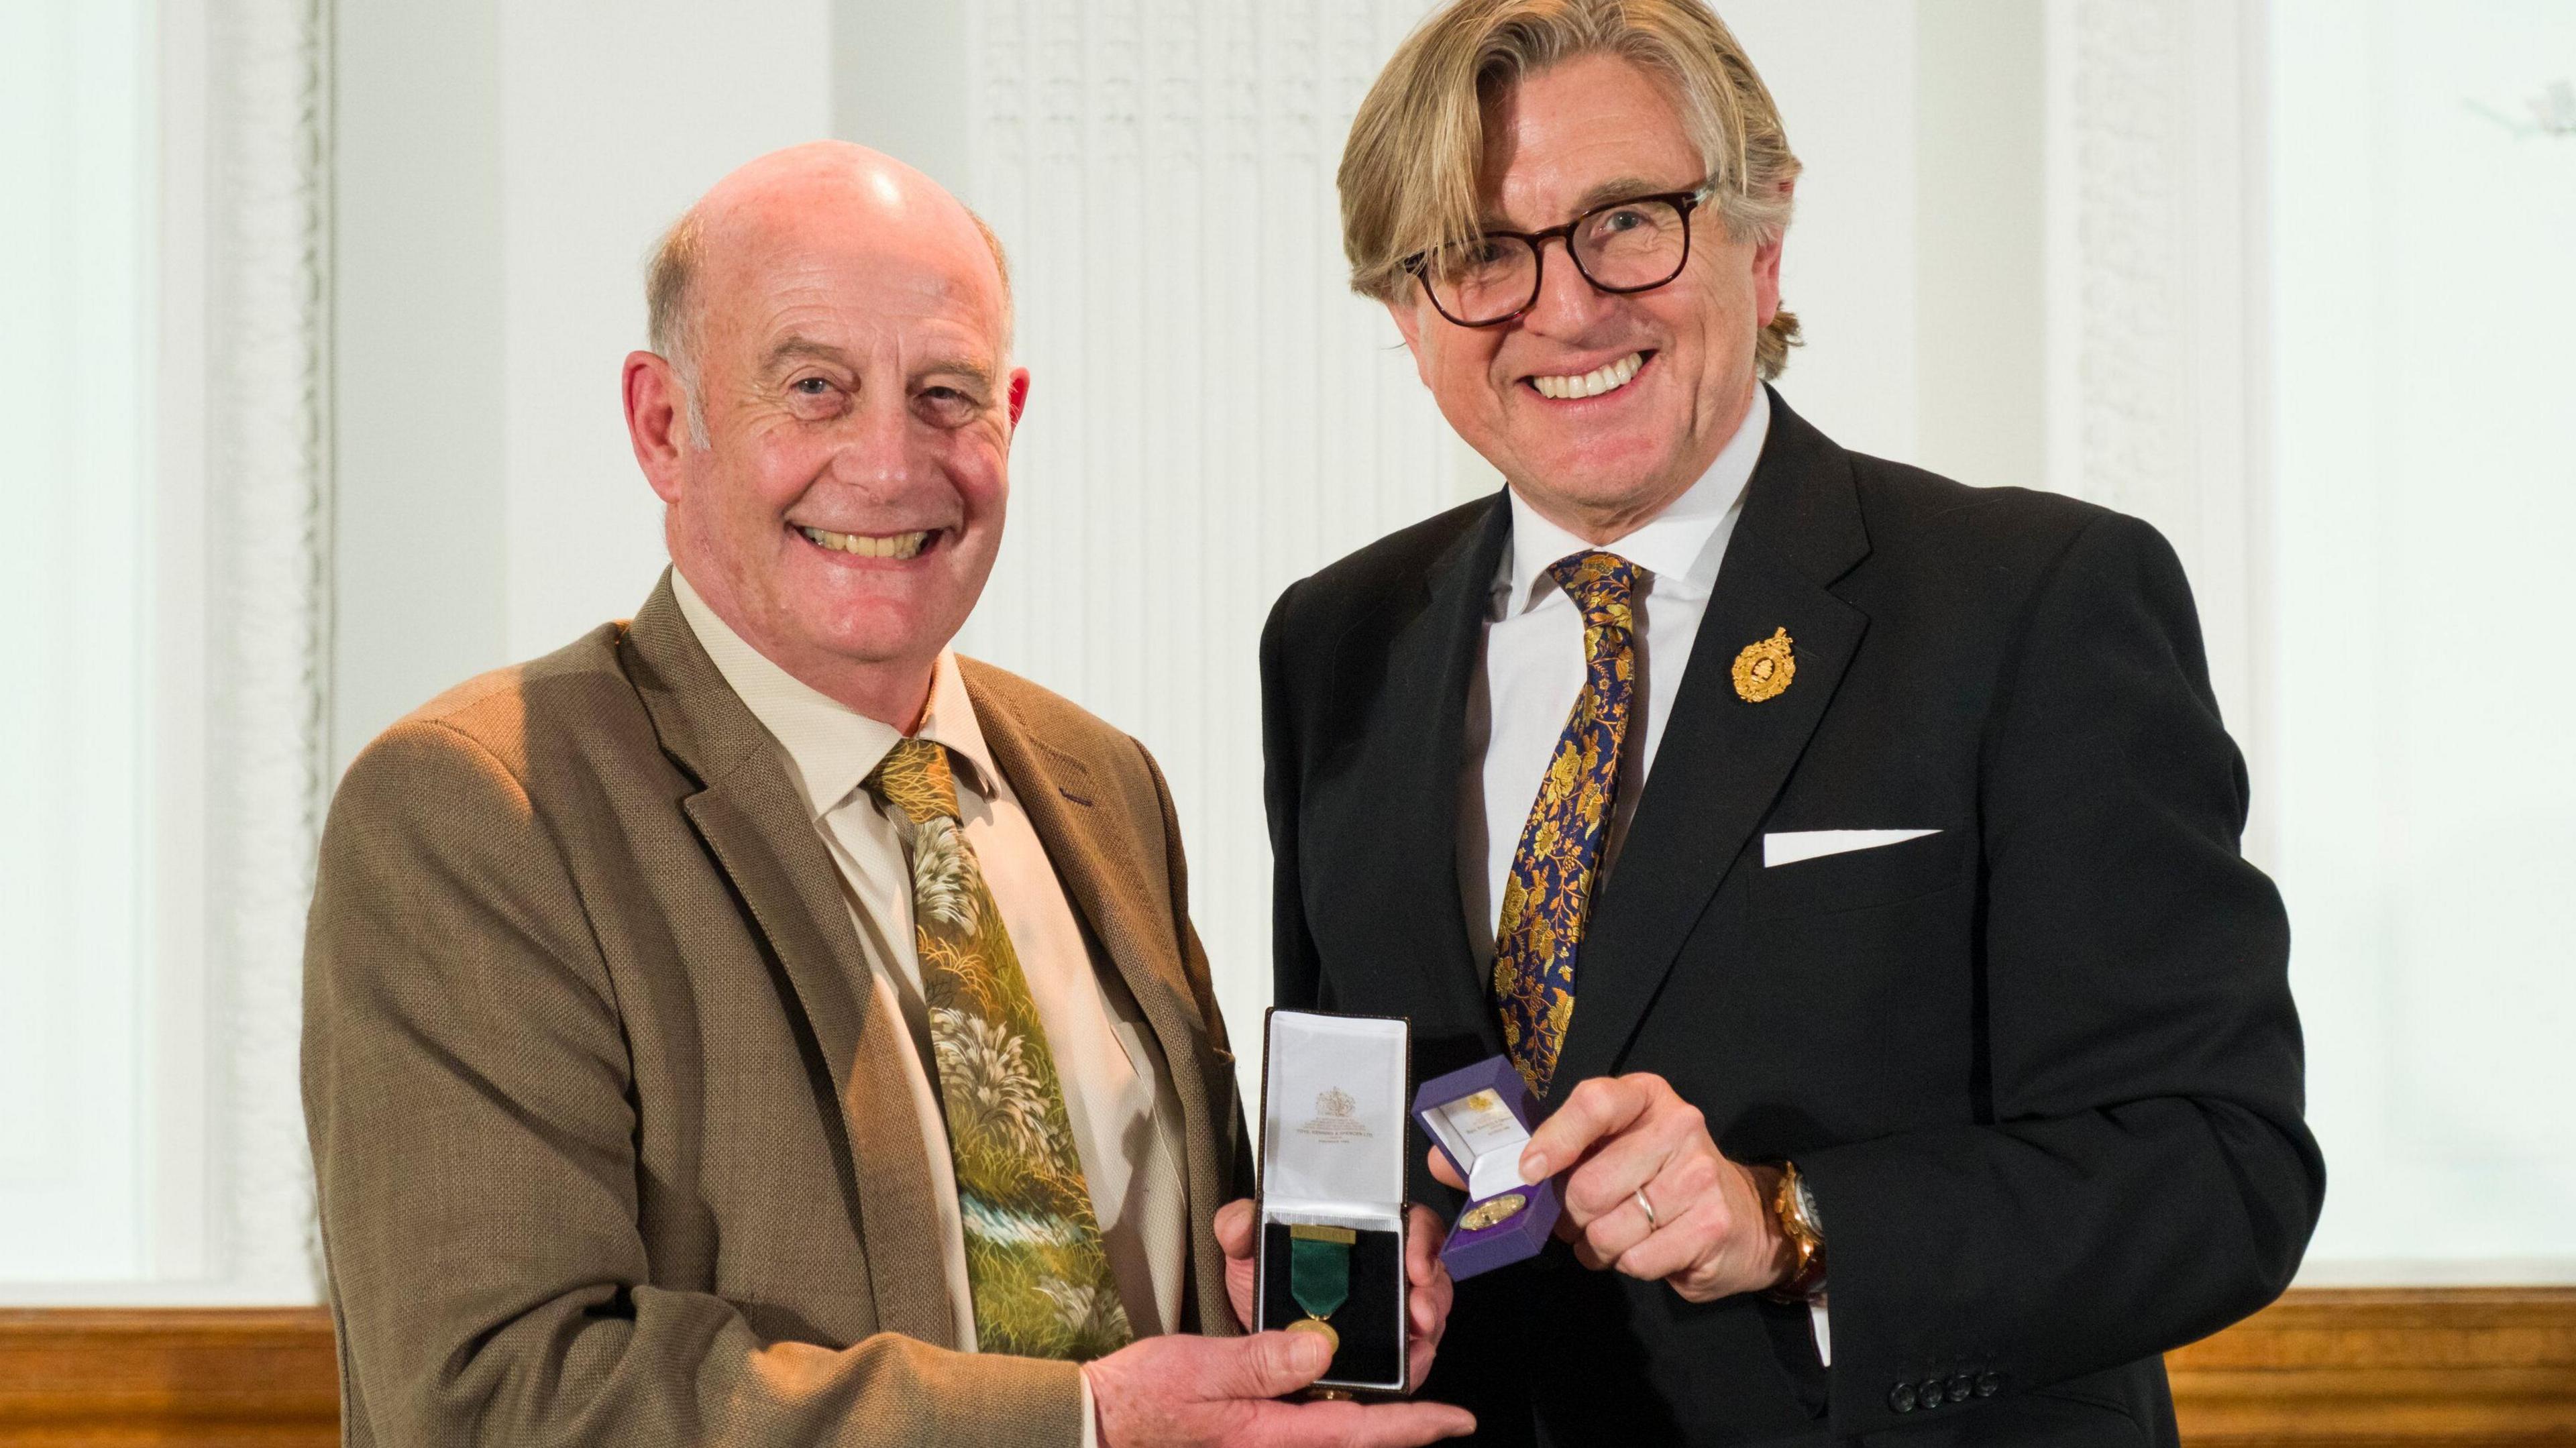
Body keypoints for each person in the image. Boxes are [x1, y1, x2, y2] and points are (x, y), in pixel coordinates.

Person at [1260, 3, 2325, 1443]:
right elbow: (1378, 1122)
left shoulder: (2033, 603)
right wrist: (1334, 1274)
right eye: (1479, 253)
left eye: (1626, 222)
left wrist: (1796, 1220)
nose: (1564, 308)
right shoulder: (1337, 644)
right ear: (1406, 311)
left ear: (1762, 242)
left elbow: (2222, 1170)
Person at [302, 142, 1469, 1448]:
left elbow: (1140, 1322)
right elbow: (492, 1400)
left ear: (1011, 416)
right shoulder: (481, 812)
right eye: (813, 388)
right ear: (661, 424)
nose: (887, 461)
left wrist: (1284, 1330)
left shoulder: (1101, 782)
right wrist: (1078, 1425)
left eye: (946, 395)